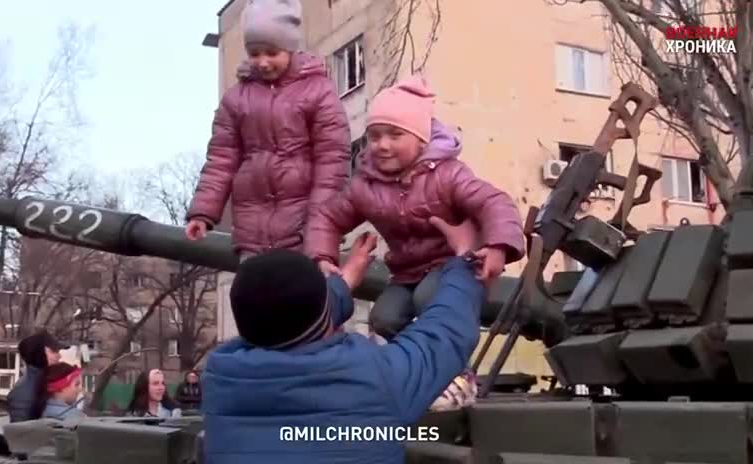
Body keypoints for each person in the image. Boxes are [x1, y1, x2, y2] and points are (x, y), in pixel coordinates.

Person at [201, 218, 485, 463]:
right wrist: (464, 258)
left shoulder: (220, 377)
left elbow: (292, 323)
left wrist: (344, 282)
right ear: (324, 315)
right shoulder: (376, 377)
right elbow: (445, 331)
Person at [306, 74, 526, 342]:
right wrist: (322, 257)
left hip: (452, 267)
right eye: (374, 136)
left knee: (428, 299)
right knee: (384, 318)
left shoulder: (446, 175)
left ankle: (456, 366)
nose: (383, 145)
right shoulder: (366, 185)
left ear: (421, 140)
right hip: (405, 274)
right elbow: (328, 217)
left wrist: (497, 247)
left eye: (395, 135)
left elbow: (494, 202)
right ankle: (415, 365)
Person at [184, 0, 350, 262]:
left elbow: (332, 165)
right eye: (254, 53)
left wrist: (320, 234)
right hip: (252, 232)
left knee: (298, 298)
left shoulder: (318, 91)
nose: (262, 62)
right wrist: (202, 213)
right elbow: (221, 160)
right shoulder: (236, 98)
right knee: (254, 298)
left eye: (271, 53)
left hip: (300, 230)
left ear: (290, 48)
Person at [6, 330, 69, 422]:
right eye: (53, 351)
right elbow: (21, 432)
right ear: (39, 353)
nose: (59, 356)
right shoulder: (22, 392)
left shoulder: (46, 381)